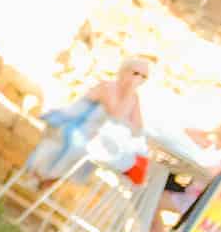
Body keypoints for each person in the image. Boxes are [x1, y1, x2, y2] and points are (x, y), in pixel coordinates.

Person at [10, 55, 152, 193]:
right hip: (73, 123)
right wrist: (128, 95)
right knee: (79, 148)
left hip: (92, 135)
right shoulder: (107, 87)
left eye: (143, 76)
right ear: (124, 71)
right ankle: (41, 177)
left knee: (96, 155)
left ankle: (47, 180)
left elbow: (138, 128)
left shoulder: (134, 98)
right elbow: (115, 114)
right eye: (136, 73)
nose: (138, 79)